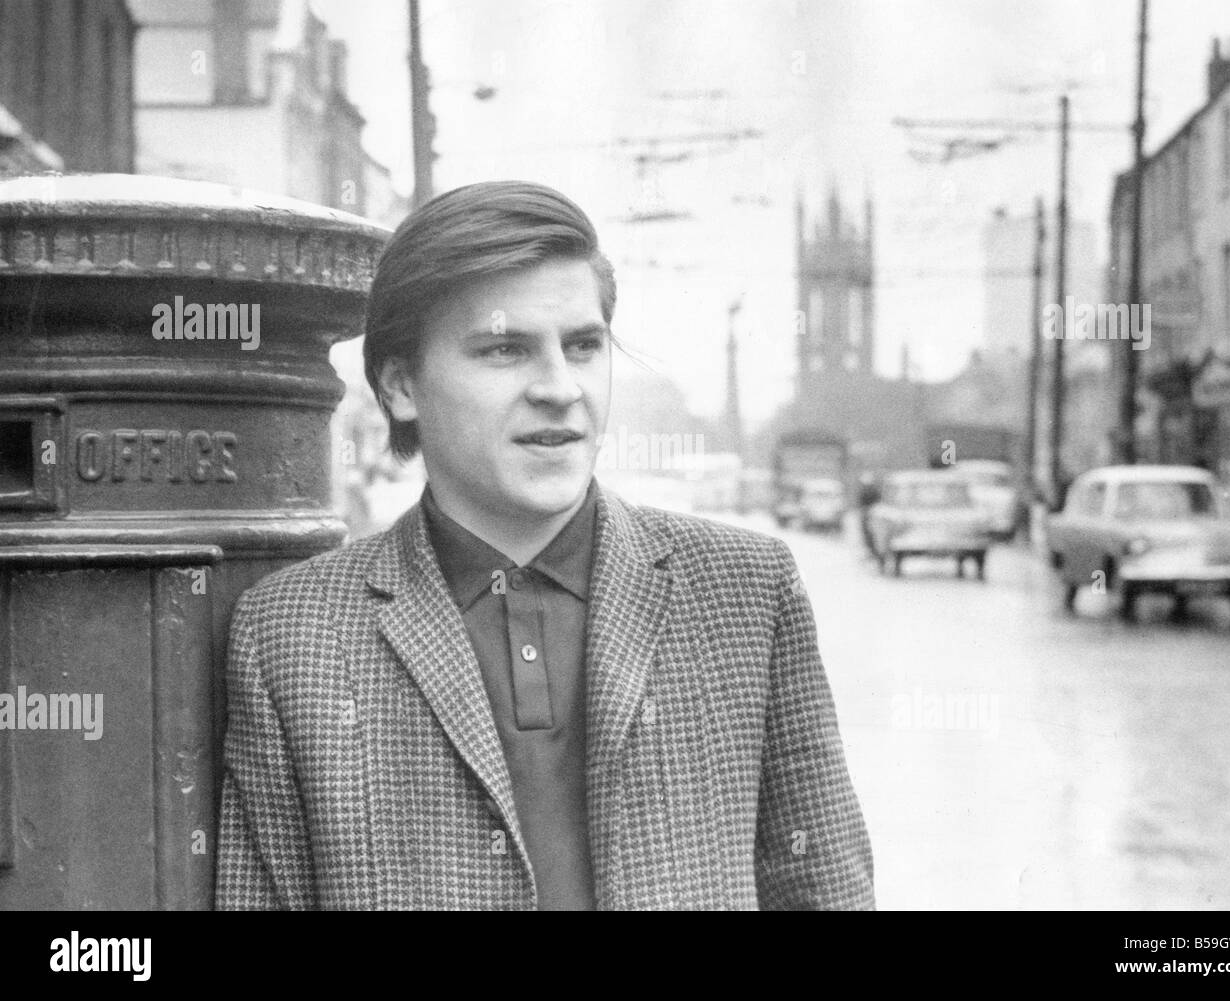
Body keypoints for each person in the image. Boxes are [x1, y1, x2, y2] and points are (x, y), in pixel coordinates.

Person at [215, 180, 874, 910]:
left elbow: (824, 890)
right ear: (401, 385)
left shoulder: (745, 590)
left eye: (584, 346)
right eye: (505, 350)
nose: (560, 387)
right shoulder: (289, 636)